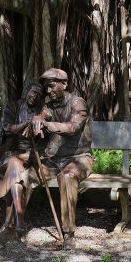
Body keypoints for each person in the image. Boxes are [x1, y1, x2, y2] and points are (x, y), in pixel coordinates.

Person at [0, 81, 50, 237]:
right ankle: (19, 223)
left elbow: (47, 126)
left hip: (34, 156)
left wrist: (40, 122)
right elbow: (8, 129)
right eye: (32, 92)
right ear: (27, 92)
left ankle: (11, 225)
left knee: (14, 171)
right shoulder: (13, 107)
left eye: (38, 95)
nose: (34, 96)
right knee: (14, 167)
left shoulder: (42, 110)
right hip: (12, 153)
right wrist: (26, 124)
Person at [31, 68, 93, 244]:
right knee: (24, 175)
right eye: (46, 88)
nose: (48, 91)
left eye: (51, 86)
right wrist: (37, 120)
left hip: (79, 158)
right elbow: (42, 115)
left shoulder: (77, 103)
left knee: (66, 177)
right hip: (53, 160)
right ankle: (14, 226)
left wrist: (48, 125)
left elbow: (72, 128)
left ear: (64, 84)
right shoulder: (49, 105)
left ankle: (68, 233)